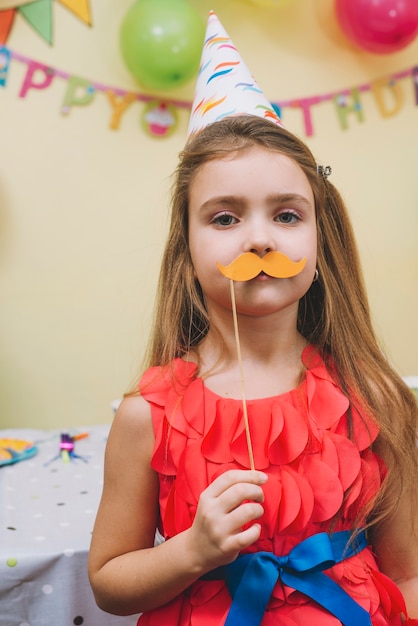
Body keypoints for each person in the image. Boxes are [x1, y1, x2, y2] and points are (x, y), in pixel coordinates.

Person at [88, 12, 418, 626]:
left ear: (322, 247)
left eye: (287, 216)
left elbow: (408, 572)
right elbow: (109, 582)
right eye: (224, 217)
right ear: (187, 257)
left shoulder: (371, 397)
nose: (259, 238)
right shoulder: (147, 417)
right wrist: (193, 550)